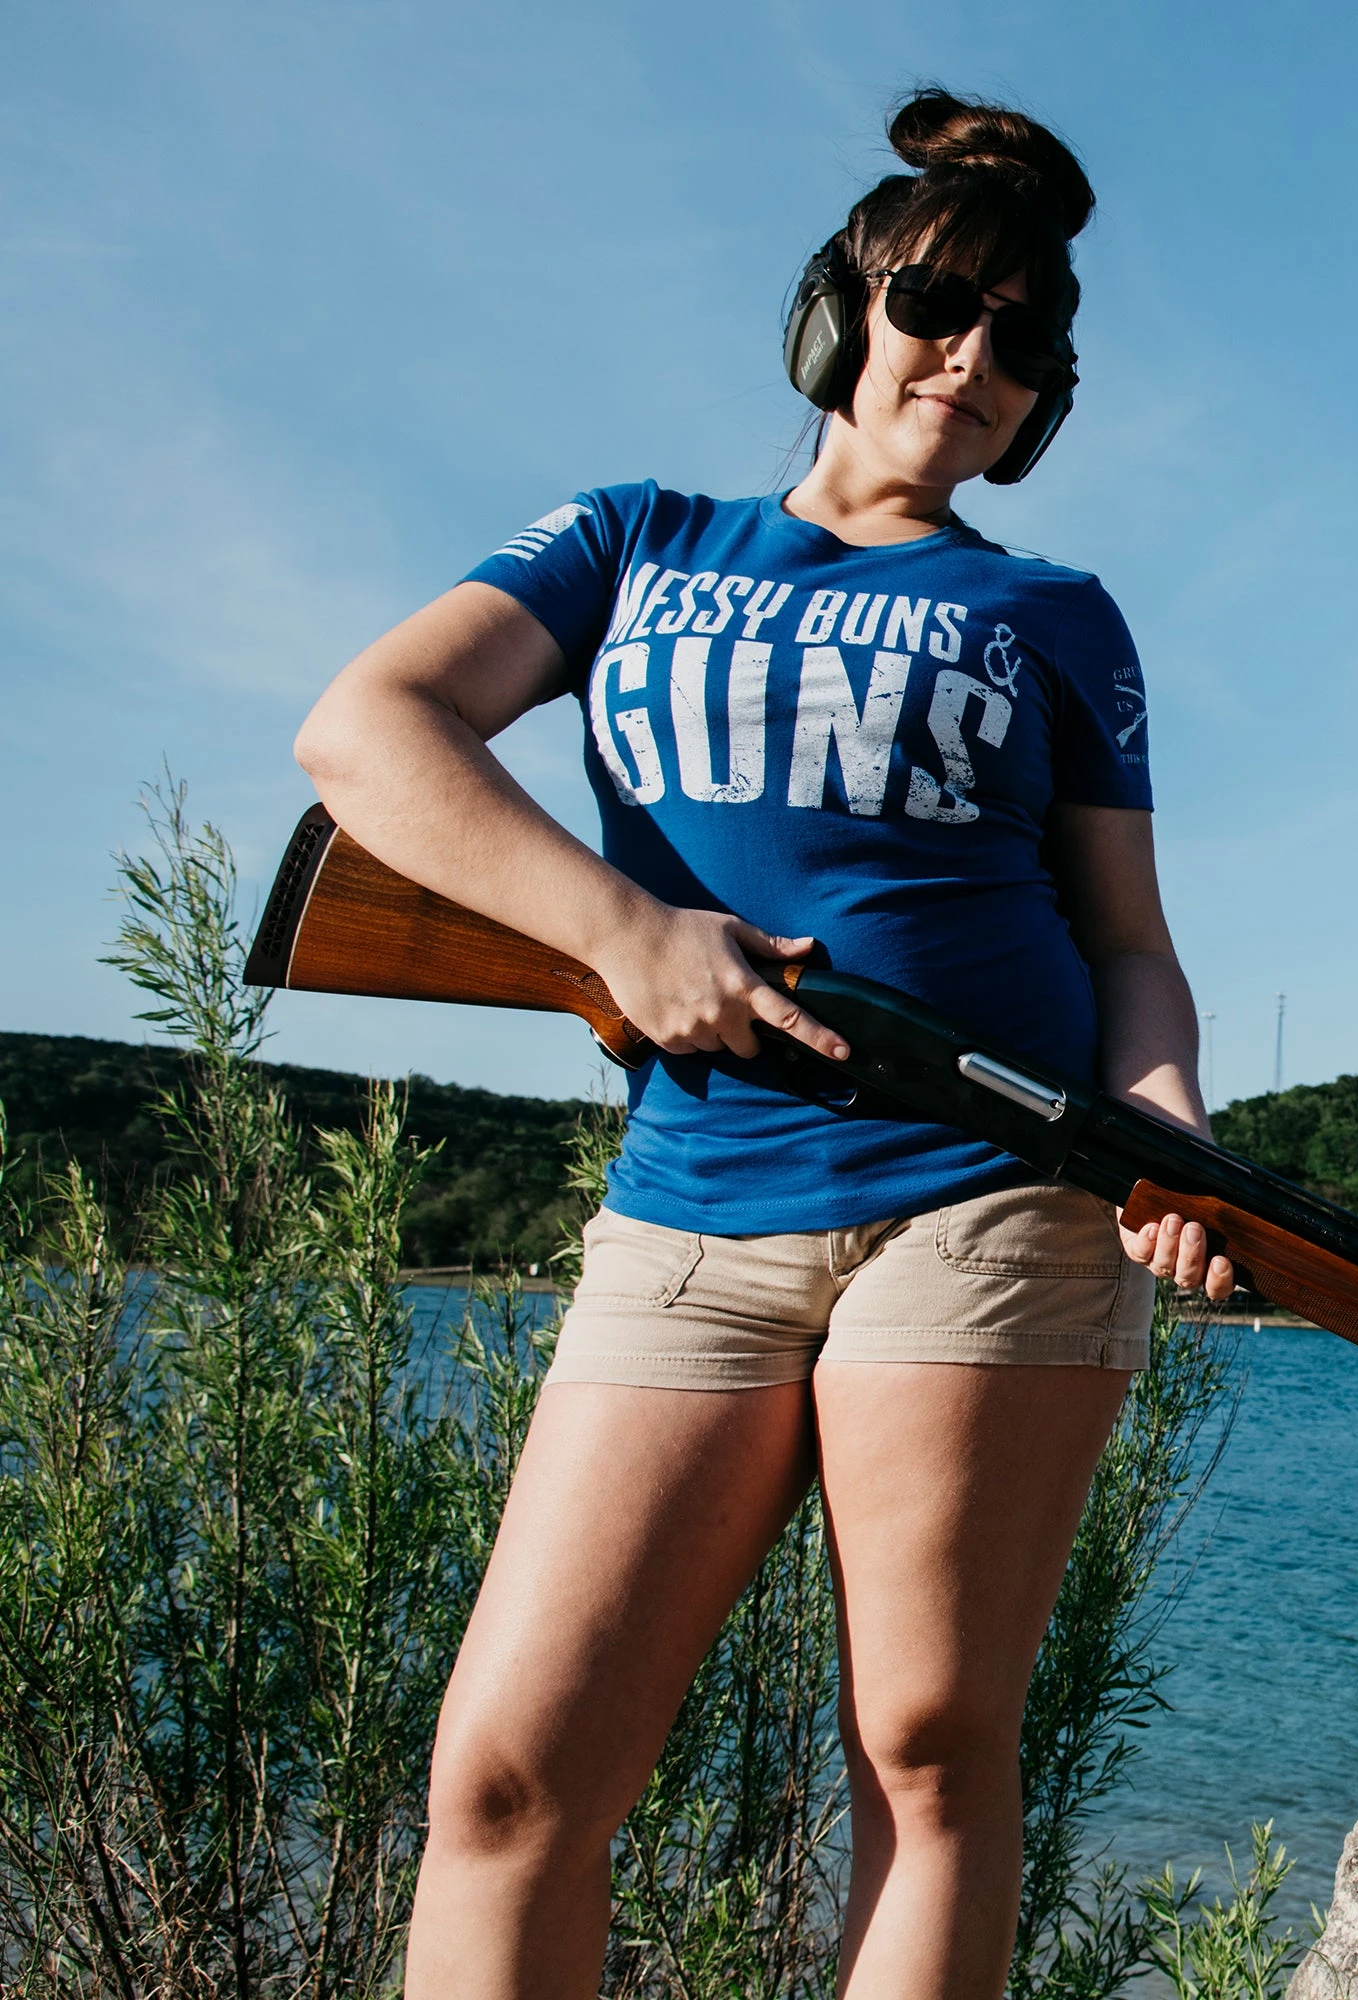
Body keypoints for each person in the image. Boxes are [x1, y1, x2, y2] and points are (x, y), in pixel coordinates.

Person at [295, 86, 1233, 2000]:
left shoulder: (1058, 615)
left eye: (1025, 337)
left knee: (927, 1756)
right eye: (934, 303)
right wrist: (625, 934)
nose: (971, 355)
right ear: (839, 313)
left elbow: (1130, 948)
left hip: (996, 1194)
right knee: (503, 1783)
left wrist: (1169, 1130)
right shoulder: (637, 541)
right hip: (691, 1211)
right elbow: (367, 729)